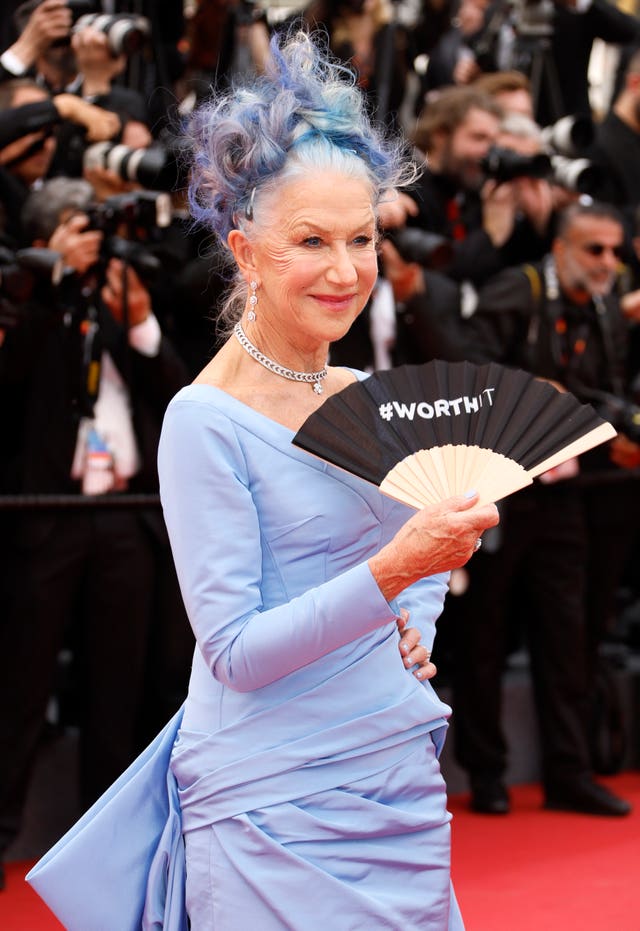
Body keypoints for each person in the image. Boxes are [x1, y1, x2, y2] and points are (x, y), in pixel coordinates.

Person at [26, 30, 499, 928]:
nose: (345, 269)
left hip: (391, 773)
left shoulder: (360, 391)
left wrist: (416, 612)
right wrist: (396, 571)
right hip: (272, 798)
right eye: (311, 240)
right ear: (246, 252)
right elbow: (236, 651)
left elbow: (418, 545)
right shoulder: (204, 421)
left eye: (361, 238)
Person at [444, 201, 636, 816]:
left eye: (615, 250)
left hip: (565, 493)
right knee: (486, 636)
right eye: (594, 249)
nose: (609, 262)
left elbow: (599, 393)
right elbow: (463, 367)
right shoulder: (517, 287)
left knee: (568, 633)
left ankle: (568, 772)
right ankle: (489, 774)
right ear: (559, 249)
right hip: (498, 490)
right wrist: (529, 391)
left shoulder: (605, 304)